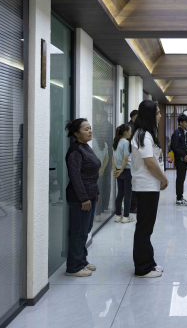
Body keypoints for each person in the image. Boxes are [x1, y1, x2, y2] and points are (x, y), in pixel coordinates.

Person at [131, 100, 169, 278]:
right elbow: (150, 162)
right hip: (146, 186)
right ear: (149, 115)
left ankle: (149, 262)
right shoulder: (143, 135)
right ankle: (143, 268)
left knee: (146, 227)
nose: (160, 115)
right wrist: (164, 179)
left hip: (148, 186)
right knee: (144, 228)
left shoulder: (145, 134)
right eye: (157, 112)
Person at [64, 118, 100, 277]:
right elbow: (75, 177)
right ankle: (74, 267)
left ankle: (82, 260)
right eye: (86, 129)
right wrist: (84, 198)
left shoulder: (85, 147)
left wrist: (96, 191)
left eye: (90, 128)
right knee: (78, 232)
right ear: (76, 134)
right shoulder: (75, 151)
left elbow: (91, 173)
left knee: (85, 230)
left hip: (89, 195)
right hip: (79, 198)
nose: (90, 131)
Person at [113, 124, 134, 223]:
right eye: (130, 131)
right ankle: (126, 217)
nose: (131, 133)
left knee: (120, 193)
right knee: (127, 194)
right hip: (126, 170)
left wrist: (116, 169)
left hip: (118, 170)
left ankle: (118, 216)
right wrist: (121, 170)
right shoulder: (126, 142)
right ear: (125, 132)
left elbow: (113, 157)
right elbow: (126, 158)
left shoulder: (116, 142)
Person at [170, 113, 187, 206]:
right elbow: (175, 147)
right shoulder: (176, 133)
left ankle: (181, 196)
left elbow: (186, 145)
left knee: (182, 178)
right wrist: (184, 155)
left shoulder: (184, 132)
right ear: (180, 123)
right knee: (180, 179)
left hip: (184, 159)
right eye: (185, 122)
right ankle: (179, 198)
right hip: (180, 159)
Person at [127, 110, 139, 214]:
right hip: (131, 156)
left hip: (134, 155)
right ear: (135, 116)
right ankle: (132, 206)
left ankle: (134, 205)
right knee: (132, 184)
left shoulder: (134, 126)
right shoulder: (129, 126)